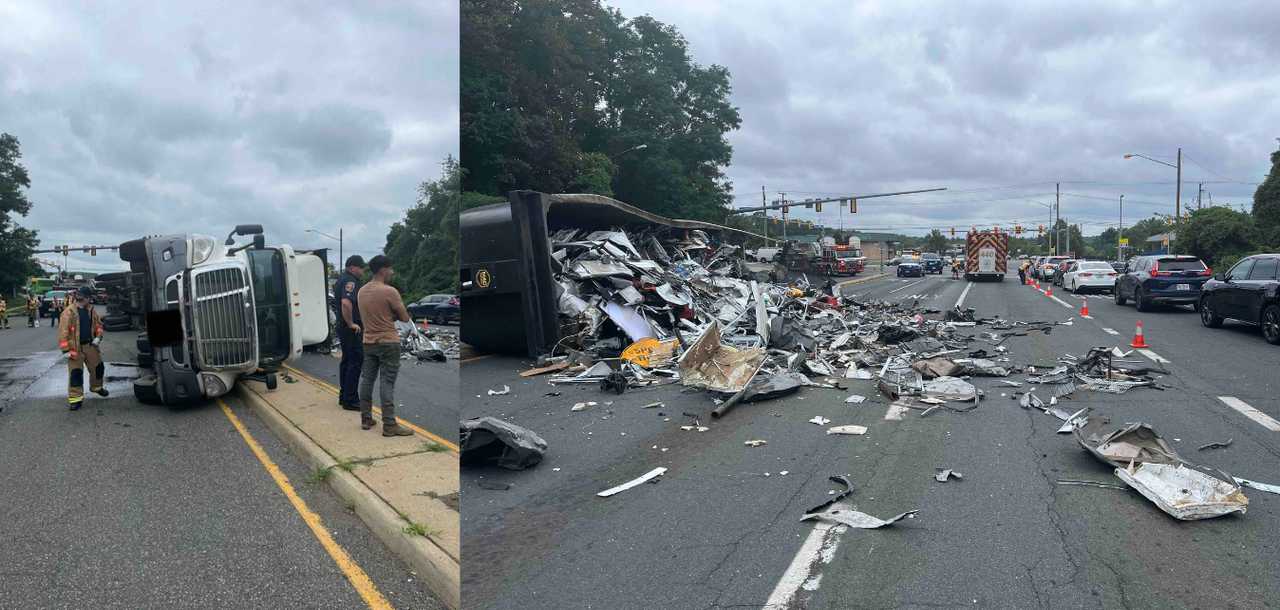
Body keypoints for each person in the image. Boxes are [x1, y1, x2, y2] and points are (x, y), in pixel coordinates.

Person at [356, 255, 414, 436]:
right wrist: (394, 315)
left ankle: (366, 418)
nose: (392, 272)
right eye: (390, 269)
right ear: (382, 270)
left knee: (367, 380)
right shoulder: (389, 291)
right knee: (387, 383)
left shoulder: (361, 291)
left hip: (368, 342)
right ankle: (389, 425)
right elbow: (405, 317)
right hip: (388, 342)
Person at [59, 286, 108, 410]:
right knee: (76, 374)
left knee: (98, 368)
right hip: (75, 349)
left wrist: (98, 337)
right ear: (85, 298)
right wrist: (65, 350)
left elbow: (98, 325)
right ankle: (75, 399)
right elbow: (63, 332)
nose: (90, 300)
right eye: (89, 298)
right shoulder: (68, 312)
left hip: (90, 345)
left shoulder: (91, 310)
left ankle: (97, 387)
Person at [334, 255, 367, 411]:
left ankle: (344, 395)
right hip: (351, 328)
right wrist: (351, 323)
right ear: (353, 267)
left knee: (347, 361)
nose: (362, 271)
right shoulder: (350, 281)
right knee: (356, 361)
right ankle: (351, 399)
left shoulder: (341, 279)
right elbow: (346, 303)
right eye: (361, 268)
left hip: (343, 327)